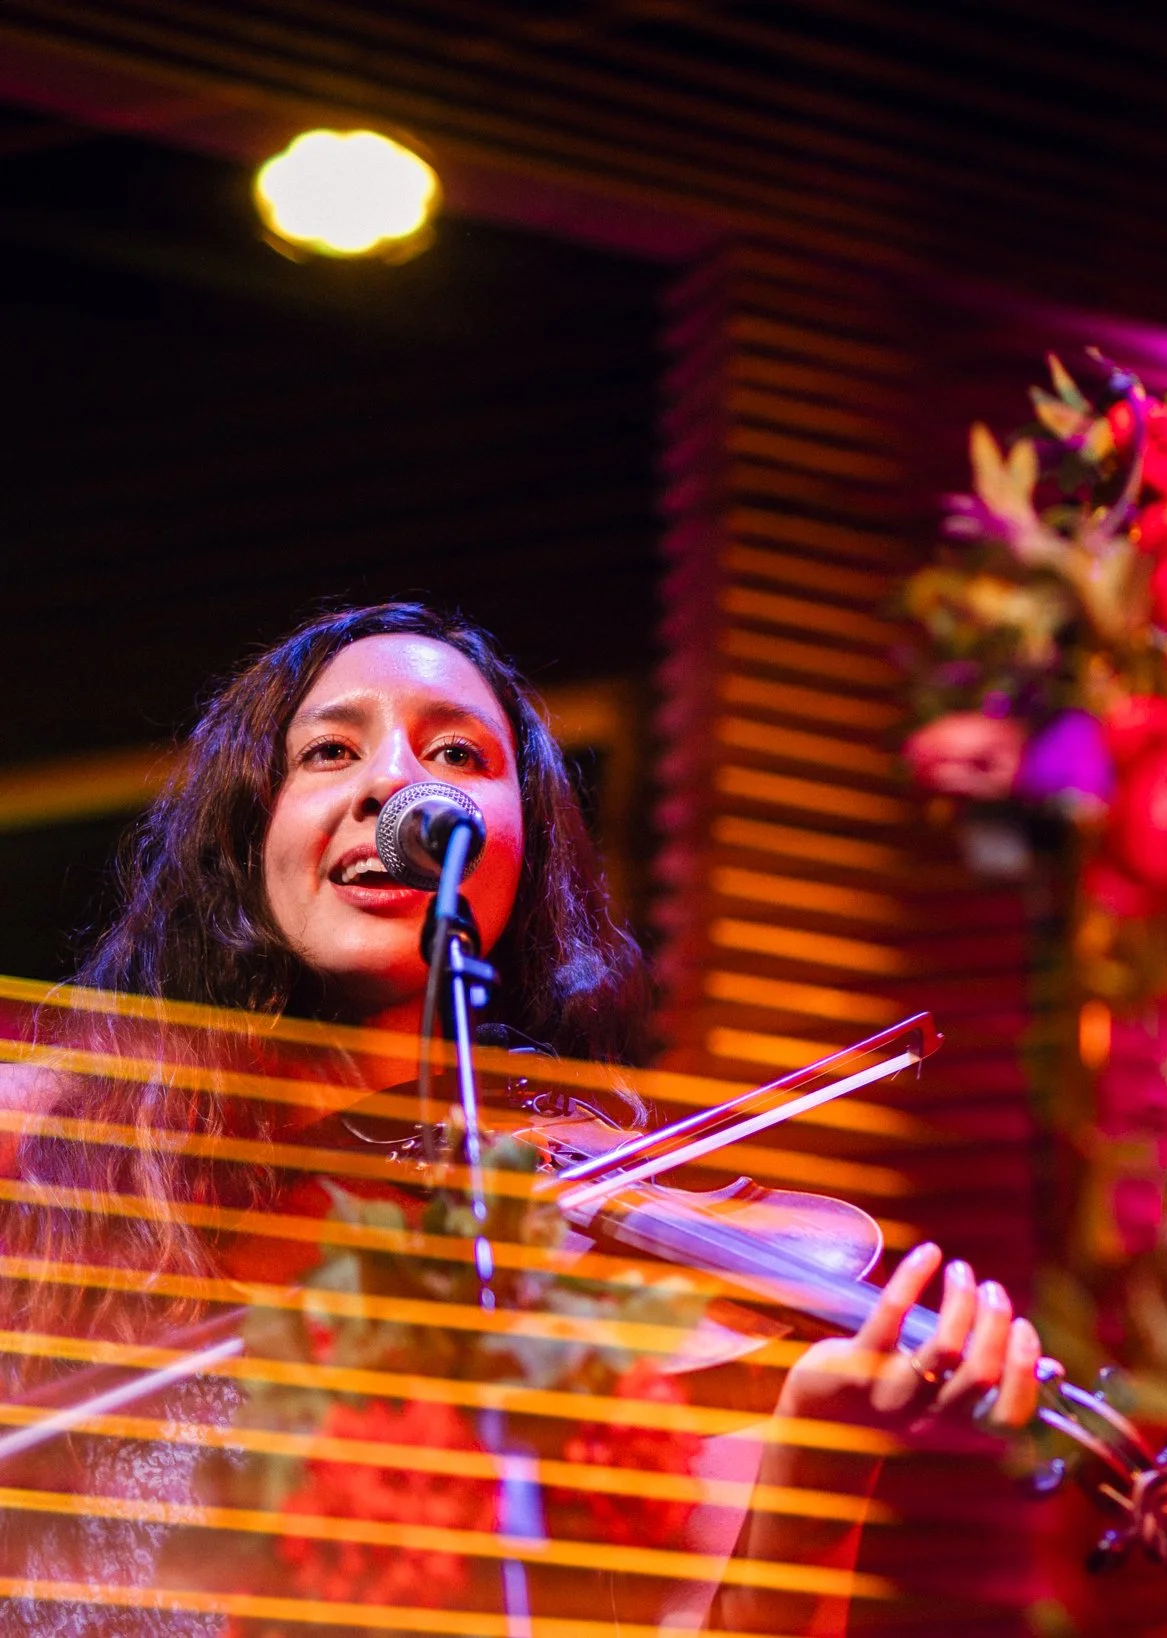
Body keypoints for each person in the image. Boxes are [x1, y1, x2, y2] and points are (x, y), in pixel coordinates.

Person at [0, 602, 1040, 1635]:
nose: (396, 787)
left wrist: (822, 1444)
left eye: (456, 752)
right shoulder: (58, 1146)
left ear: (521, 850)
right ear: (249, 827)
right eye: (328, 750)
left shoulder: (579, 1261)